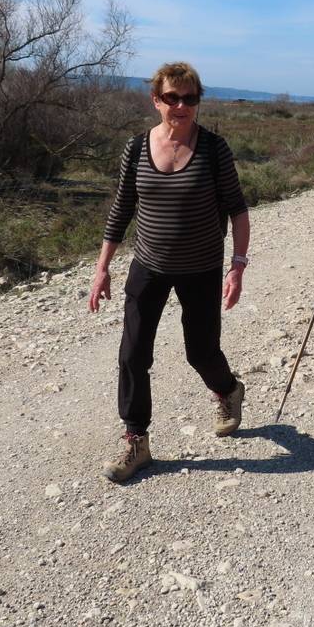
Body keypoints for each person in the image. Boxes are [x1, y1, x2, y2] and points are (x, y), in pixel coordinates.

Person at [89, 61, 251, 483]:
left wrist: (237, 267)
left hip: (200, 268)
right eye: (171, 97)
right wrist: (102, 268)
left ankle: (228, 390)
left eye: (190, 98)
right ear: (156, 100)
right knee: (133, 353)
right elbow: (122, 209)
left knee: (201, 352)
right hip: (149, 266)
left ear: (198, 101)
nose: (181, 105)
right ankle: (136, 439)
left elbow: (237, 210)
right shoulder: (136, 148)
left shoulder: (214, 149)